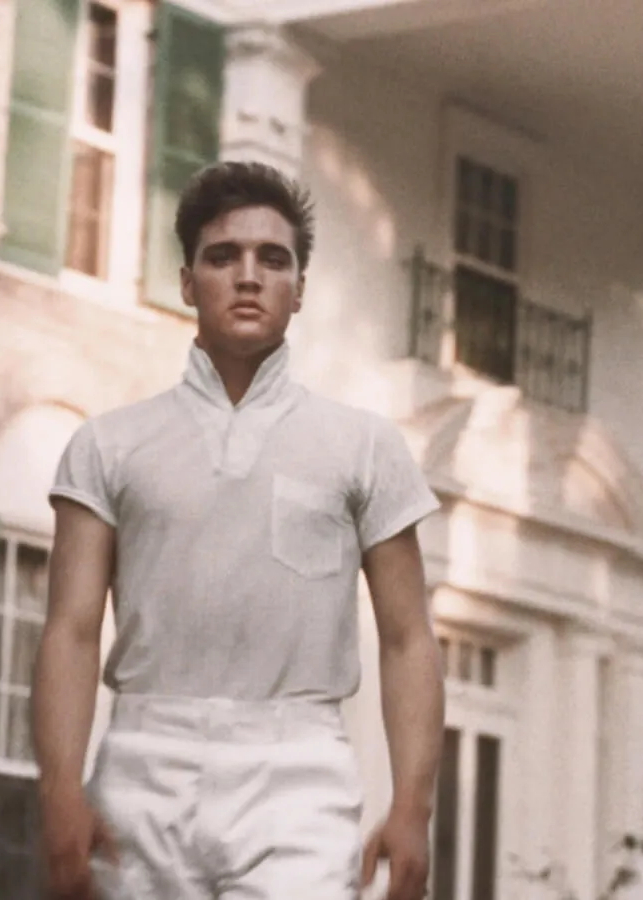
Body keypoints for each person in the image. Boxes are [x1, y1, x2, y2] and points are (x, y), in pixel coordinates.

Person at [32, 160, 445, 900]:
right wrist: (60, 785)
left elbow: (409, 636)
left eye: (272, 259)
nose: (248, 276)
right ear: (188, 282)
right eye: (223, 256)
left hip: (300, 776)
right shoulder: (108, 445)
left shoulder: (364, 446)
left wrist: (413, 804)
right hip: (141, 765)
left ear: (299, 289)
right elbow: (68, 627)